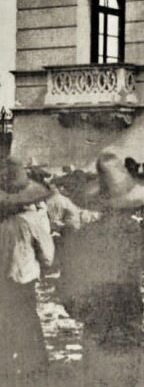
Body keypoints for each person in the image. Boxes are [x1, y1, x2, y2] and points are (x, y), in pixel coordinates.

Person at [58, 152, 144, 385]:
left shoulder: (84, 236)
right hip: (127, 328)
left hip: (97, 329)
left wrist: (88, 314)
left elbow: (67, 292)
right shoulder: (134, 234)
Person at [0, 157, 53, 383]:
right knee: (29, 319)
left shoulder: (3, 225)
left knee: (7, 320)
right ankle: (35, 364)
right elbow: (48, 255)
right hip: (25, 278)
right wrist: (43, 264)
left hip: (4, 280)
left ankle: (10, 363)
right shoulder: (31, 221)